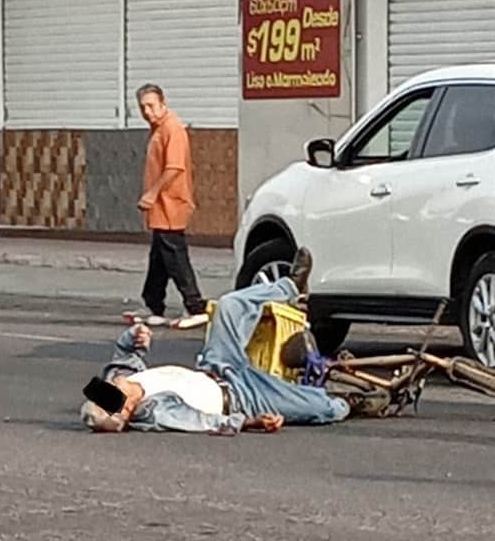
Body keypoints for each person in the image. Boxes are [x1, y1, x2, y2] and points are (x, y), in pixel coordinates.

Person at [81, 258, 351, 435]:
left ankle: (290, 286)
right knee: (324, 408)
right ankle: (359, 401)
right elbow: (202, 422)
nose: (131, 409)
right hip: (242, 397)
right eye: (127, 414)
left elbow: (125, 353)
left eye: (123, 405)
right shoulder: (156, 412)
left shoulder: (118, 379)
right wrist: (247, 421)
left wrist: (135, 335)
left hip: (218, 365)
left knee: (228, 306)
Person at [128, 83, 207, 327]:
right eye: (143, 107)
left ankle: (195, 305)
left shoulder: (172, 128)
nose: (147, 112)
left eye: (151, 106)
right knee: (159, 256)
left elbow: (174, 168)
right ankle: (154, 304)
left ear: (163, 104)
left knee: (174, 255)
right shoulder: (159, 129)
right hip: (162, 206)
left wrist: (152, 194)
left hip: (171, 203)